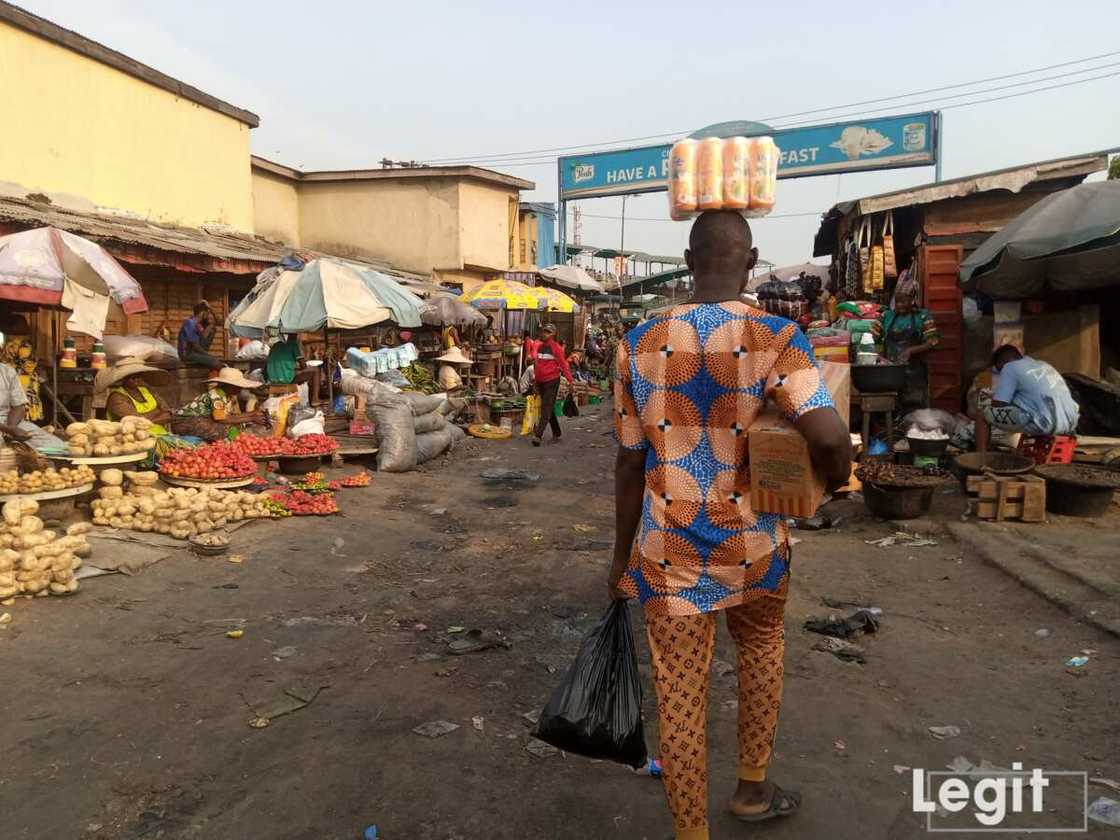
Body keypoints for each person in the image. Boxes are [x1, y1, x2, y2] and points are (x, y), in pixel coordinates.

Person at [610, 211, 851, 838]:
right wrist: (840, 475)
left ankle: (692, 831)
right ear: (751, 261)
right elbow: (825, 434)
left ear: (689, 262)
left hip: (669, 549)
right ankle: (751, 787)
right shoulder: (777, 336)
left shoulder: (636, 341)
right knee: (762, 648)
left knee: (680, 696)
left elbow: (630, 460)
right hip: (756, 544)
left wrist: (619, 556)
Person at [976, 345, 1079, 453]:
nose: (1001, 373)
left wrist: (994, 398)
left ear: (1002, 363)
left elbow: (998, 405)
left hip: (1043, 423)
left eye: (999, 370)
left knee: (982, 414)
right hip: (1070, 423)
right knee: (1024, 410)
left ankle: (981, 458)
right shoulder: (1044, 365)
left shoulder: (1010, 367)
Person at [869, 276, 940, 411]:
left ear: (912, 300)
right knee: (892, 408)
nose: (899, 305)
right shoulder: (885, 316)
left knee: (914, 408)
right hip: (891, 372)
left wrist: (911, 350)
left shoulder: (923, 316)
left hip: (915, 373)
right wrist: (880, 356)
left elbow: (933, 341)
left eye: (904, 301)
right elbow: (873, 338)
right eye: (897, 301)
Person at [173, 367, 268, 441]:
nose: (240, 389)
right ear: (230, 386)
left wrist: (253, 413)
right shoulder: (216, 396)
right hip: (185, 422)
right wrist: (251, 418)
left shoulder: (228, 397)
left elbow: (229, 416)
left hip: (203, 419)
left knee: (237, 426)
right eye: (238, 386)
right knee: (224, 430)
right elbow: (222, 419)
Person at [0, 359, 65, 451]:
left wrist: (12, 428)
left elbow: (19, 406)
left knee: (58, 447)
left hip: (9, 422)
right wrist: (7, 429)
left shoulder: (7, 371)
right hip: (4, 427)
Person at [530, 323, 573, 446]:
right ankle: (557, 431)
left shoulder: (556, 348)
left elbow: (564, 365)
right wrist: (535, 382)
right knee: (548, 407)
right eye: (544, 331)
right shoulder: (540, 347)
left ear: (553, 334)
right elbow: (537, 365)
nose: (545, 334)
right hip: (541, 381)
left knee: (546, 408)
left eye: (548, 332)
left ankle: (538, 435)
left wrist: (570, 381)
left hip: (552, 380)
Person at [178, 302, 221, 369]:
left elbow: (219, 322)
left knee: (212, 328)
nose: (208, 315)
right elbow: (196, 346)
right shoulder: (190, 323)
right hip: (187, 354)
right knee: (215, 363)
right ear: (202, 313)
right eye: (207, 313)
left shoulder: (199, 324)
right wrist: (209, 356)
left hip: (195, 351)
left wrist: (211, 308)